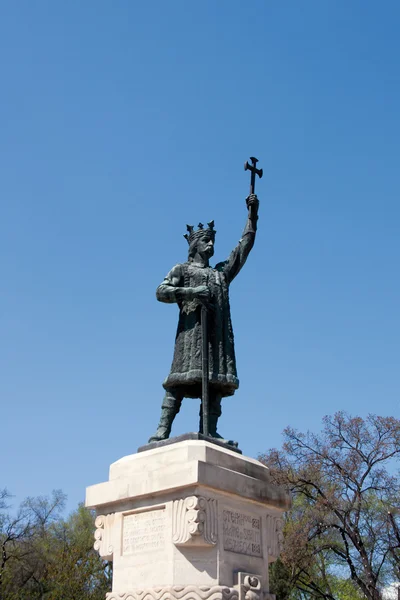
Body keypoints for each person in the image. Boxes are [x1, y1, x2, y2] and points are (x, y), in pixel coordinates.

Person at [149, 194, 259, 443]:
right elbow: (161, 291)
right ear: (195, 245)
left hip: (215, 338)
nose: (211, 245)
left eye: (212, 241)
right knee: (178, 382)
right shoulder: (182, 270)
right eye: (206, 241)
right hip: (190, 338)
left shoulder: (221, 273)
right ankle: (162, 431)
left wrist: (252, 216)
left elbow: (244, 247)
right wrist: (190, 293)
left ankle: (209, 430)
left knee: (214, 384)